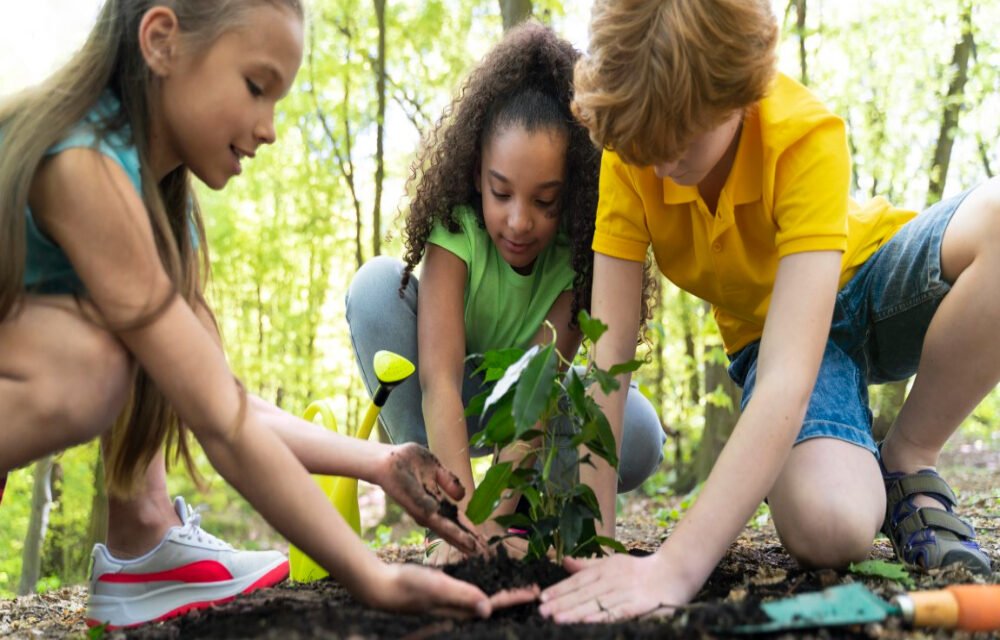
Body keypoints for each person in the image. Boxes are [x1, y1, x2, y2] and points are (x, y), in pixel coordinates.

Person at [0, 0, 536, 629]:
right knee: (92, 369)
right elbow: (219, 422)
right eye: (257, 88)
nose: (271, 127)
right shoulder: (81, 165)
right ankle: (145, 554)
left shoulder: (162, 218)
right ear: (162, 41)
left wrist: (380, 463)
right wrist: (372, 577)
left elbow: (225, 403)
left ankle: (149, 551)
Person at [537, 0, 996, 623]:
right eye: (649, 148)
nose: (664, 166)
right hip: (769, 333)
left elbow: (787, 380)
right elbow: (608, 359)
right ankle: (866, 478)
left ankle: (908, 458)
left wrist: (676, 567)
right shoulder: (636, 152)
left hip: (871, 280)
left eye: (682, 139)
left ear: (739, 93)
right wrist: (594, 549)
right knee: (830, 528)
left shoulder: (803, 134)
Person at [346, 22, 666, 567]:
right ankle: (437, 506)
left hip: (531, 412)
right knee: (374, 287)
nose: (520, 222)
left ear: (572, 194)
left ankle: (526, 519)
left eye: (545, 202)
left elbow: (541, 398)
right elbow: (439, 380)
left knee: (636, 432)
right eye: (501, 193)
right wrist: (463, 521)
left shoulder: (578, 255)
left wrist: (495, 519)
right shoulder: (457, 229)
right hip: (455, 400)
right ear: (476, 175)